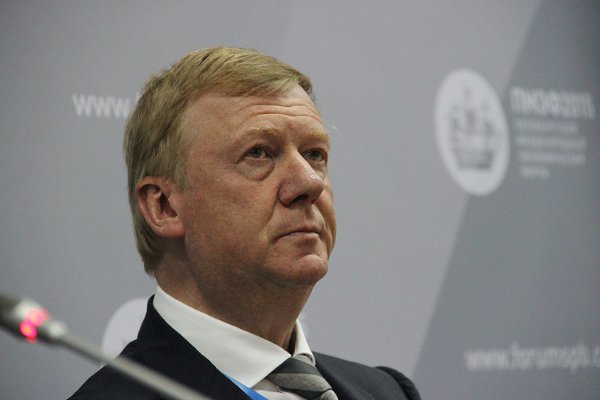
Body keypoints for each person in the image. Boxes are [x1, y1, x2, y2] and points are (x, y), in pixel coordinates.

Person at [69, 46, 420, 400]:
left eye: (314, 154)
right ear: (165, 206)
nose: (310, 182)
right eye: (258, 153)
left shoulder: (388, 392)